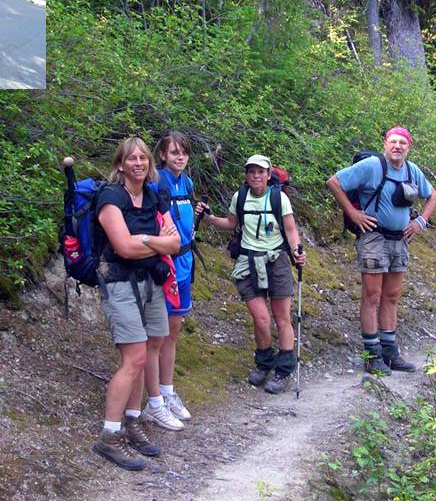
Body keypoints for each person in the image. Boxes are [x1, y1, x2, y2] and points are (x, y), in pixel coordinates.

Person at [92, 137, 182, 471]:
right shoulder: (110, 197)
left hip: (151, 281)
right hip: (119, 282)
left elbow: (175, 243)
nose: (139, 163)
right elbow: (123, 248)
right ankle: (109, 436)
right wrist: (155, 242)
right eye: (132, 158)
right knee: (134, 359)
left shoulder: (154, 195)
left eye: (143, 158)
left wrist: (143, 240)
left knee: (150, 347)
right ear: (120, 164)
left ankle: (132, 421)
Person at [326, 127, 436, 375]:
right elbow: (334, 182)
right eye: (393, 142)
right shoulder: (372, 166)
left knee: (392, 296)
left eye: (402, 143)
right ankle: (372, 355)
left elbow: (433, 196)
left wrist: (420, 222)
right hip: (373, 238)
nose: (397, 146)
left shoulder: (412, 171)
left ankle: (389, 352)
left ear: (409, 147)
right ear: (385, 144)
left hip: (400, 239)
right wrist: (353, 213)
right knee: (372, 296)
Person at [197, 154, 306, 394]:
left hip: (276, 260)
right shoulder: (240, 197)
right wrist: (210, 219)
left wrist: (297, 251)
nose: (256, 176)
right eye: (251, 171)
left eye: (260, 172)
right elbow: (231, 223)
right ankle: (264, 363)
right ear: (246, 175)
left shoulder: (279, 199)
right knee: (261, 319)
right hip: (248, 261)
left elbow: (290, 230)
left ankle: (283, 370)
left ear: (268, 175)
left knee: (282, 318)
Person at [152, 131, 196, 421]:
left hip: (185, 264)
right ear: (163, 155)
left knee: (174, 331)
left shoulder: (187, 183)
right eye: (174, 152)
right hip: (165, 266)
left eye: (183, 152)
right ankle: (155, 399)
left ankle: (167, 392)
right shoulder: (157, 181)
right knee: (158, 335)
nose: (179, 157)